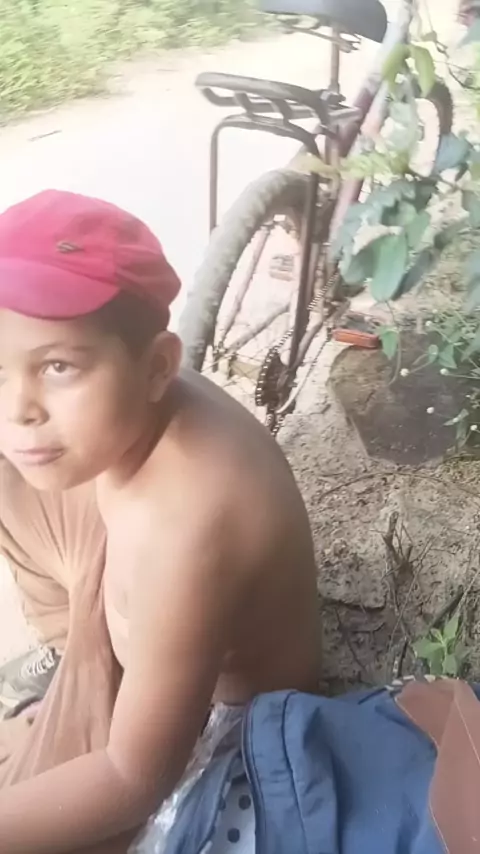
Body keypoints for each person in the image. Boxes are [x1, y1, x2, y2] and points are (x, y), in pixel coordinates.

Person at [0, 189, 321, 853]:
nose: (19, 408)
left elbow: (133, 778)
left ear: (156, 367)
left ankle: (77, 686)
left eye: (58, 366)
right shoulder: (122, 425)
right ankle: (72, 657)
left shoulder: (189, 526)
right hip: (149, 638)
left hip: (221, 732)